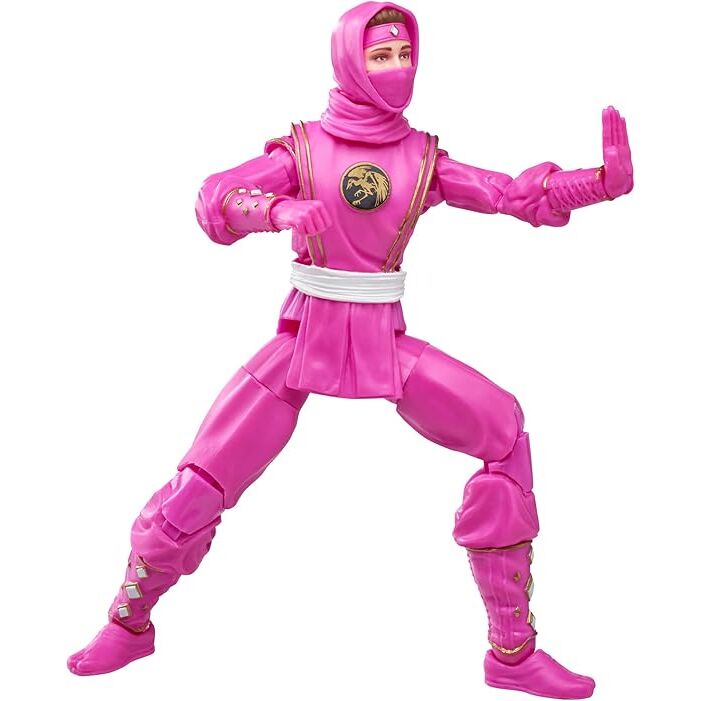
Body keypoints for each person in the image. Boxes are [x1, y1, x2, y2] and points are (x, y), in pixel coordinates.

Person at [67, 3, 633, 698]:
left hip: (382, 342)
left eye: (404, 55)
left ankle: (511, 653)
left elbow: (508, 193)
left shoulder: (421, 158)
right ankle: (128, 623)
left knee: (504, 432)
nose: (396, 69)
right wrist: (274, 210)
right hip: (302, 339)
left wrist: (596, 184)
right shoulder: (304, 150)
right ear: (348, 61)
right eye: (380, 55)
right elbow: (217, 198)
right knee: (197, 485)